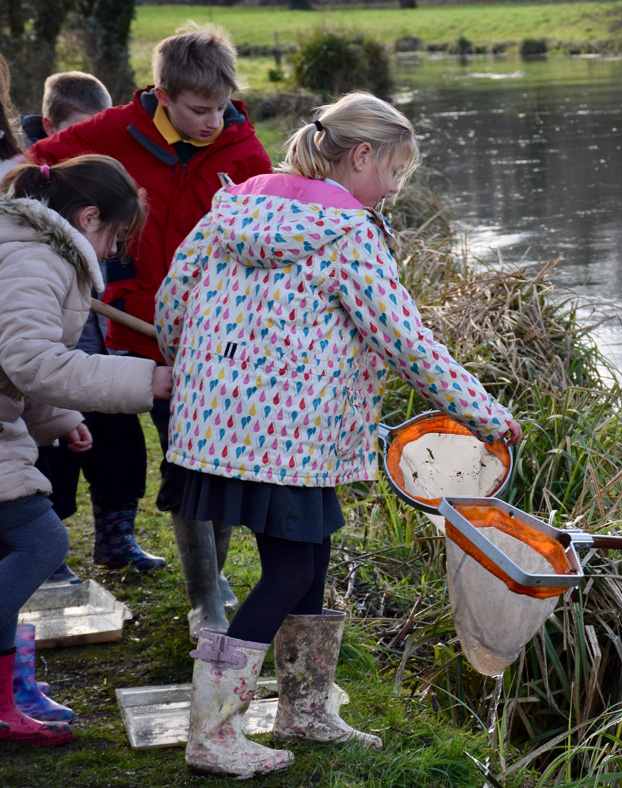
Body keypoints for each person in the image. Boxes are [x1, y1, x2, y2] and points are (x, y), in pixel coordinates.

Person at [157, 92, 522, 778]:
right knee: (290, 568)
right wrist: (485, 413)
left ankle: (305, 710)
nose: (392, 191)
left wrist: (190, 372)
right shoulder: (349, 234)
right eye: (393, 174)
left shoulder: (232, 209)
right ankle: (211, 732)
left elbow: (171, 301)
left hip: (223, 425)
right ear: (360, 157)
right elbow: (404, 340)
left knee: (312, 556)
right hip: (289, 435)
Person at [27, 22, 273, 640]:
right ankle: (204, 605)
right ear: (163, 95)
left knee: (209, 466)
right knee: (154, 456)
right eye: (198, 109)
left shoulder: (245, 153)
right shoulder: (111, 132)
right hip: (126, 327)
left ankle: (210, 579)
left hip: (211, 339)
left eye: (221, 106)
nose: (213, 120)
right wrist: (62, 250)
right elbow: (33, 171)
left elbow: (270, 238)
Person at [0, 156, 173, 746]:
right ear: (88, 216)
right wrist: (142, 382)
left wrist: (59, 418)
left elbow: (14, 365)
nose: (108, 251)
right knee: (40, 540)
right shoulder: (36, 259)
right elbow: (31, 360)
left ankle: (12, 689)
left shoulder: (28, 248)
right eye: (113, 237)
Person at [23, 71, 162, 584]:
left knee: (115, 437)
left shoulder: (100, 208)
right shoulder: (31, 230)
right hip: (59, 355)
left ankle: (116, 537)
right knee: (50, 451)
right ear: (51, 128)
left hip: (102, 342)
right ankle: (46, 552)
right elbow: (34, 361)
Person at [21, 71, 113, 146]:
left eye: (100, 134)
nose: (91, 144)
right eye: (79, 135)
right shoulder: (18, 164)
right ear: (49, 127)